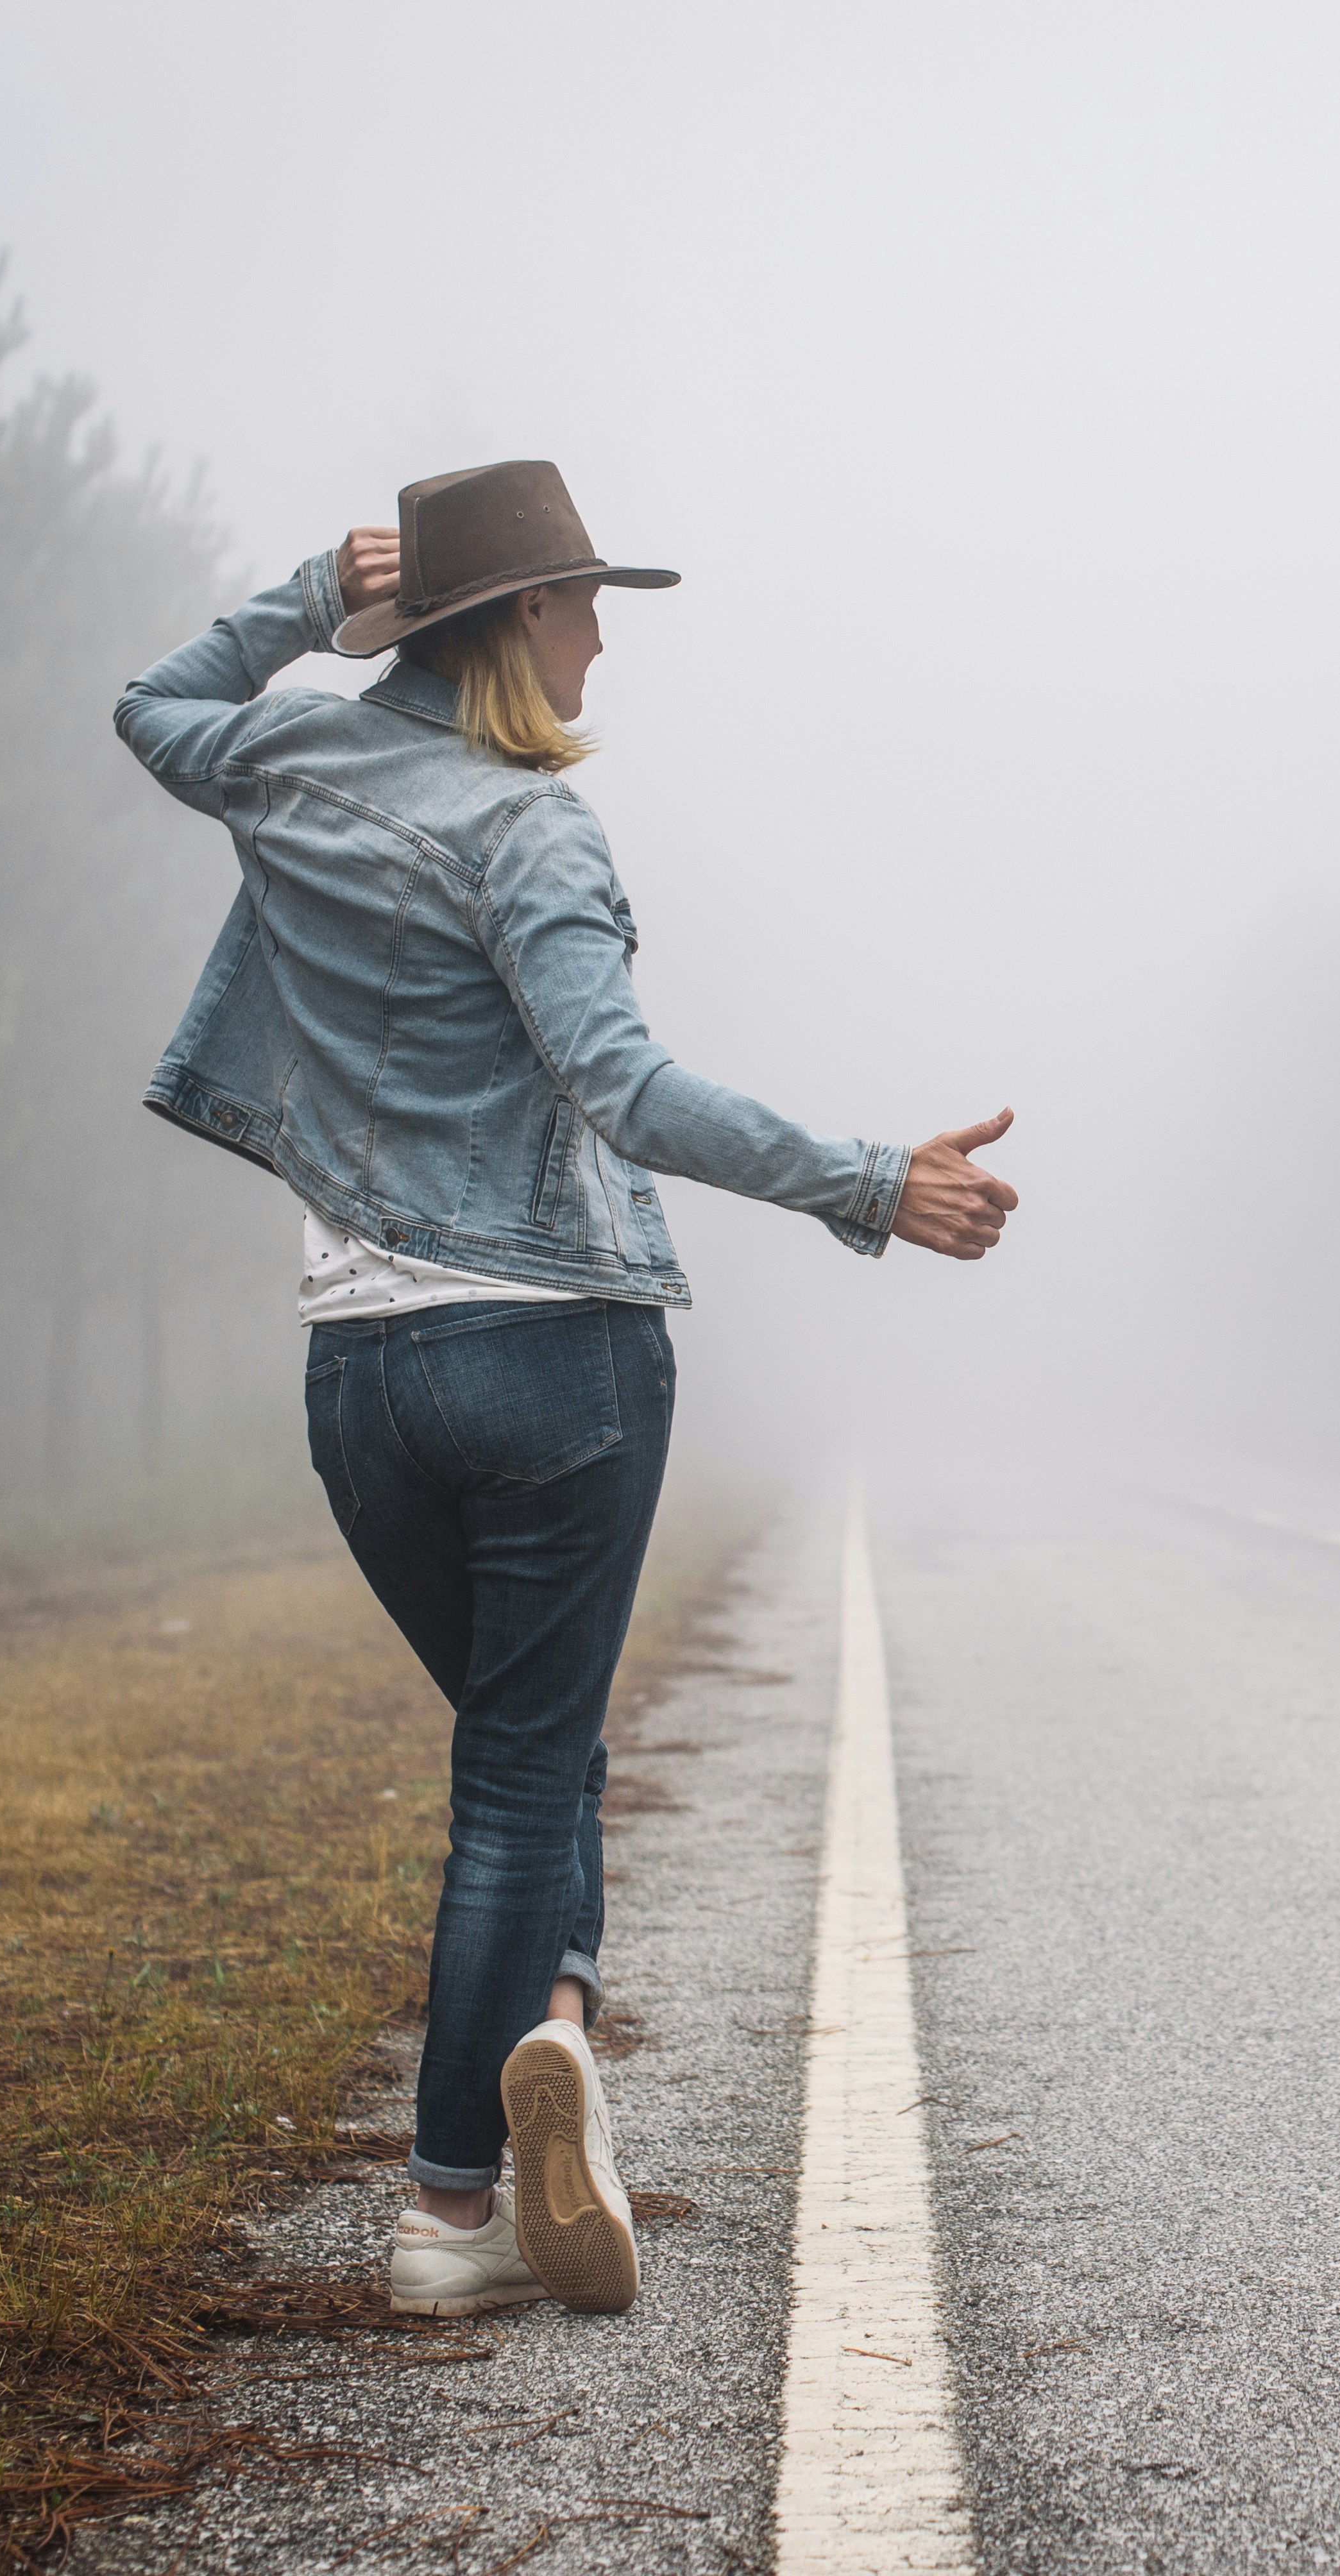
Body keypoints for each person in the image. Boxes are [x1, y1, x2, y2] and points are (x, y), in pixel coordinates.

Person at [112, 458, 1018, 2318]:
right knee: (525, 1781)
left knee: (534, 1756)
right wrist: (871, 1182)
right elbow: (629, 1088)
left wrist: (308, 594)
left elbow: (155, 708)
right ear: (516, 618)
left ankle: (558, 2028)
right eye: (585, 599)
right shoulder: (536, 834)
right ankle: (449, 2211)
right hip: (552, 1358)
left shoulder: (290, 770)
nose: (604, 630)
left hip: (359, 1380)